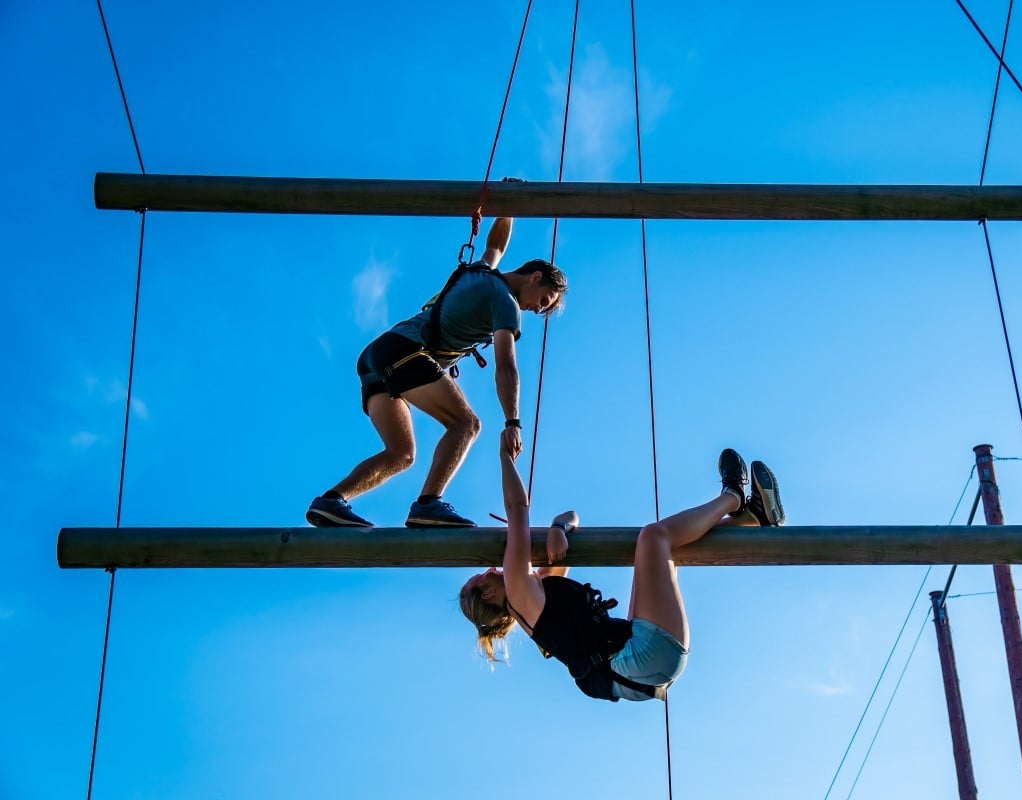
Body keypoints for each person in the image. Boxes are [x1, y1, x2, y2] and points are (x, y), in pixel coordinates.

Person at [459, 443, 785, 702]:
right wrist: (504, 455)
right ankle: (732, 497)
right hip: (639, 658)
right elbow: (518, 510)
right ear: (487, 593)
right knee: (654, 537)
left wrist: (559, 526)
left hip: (638, 661)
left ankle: (751, 518)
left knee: (662, 550)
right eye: (481, 576)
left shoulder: (536, 592)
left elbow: (573, 517)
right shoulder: (518, 593)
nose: (489, 567)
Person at [306, 215, 568, 529]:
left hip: (378, 356)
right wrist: (512, 422)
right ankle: (428, 504)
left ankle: (331, 501)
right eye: (543, 300)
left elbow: (495, 244)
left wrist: (507, 206)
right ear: (535, 276)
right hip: (404, 351)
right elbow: (506, 367)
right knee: (466, 424)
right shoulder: (505, 303)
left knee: (401, 453)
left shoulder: (482, 271)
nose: (537, 309)